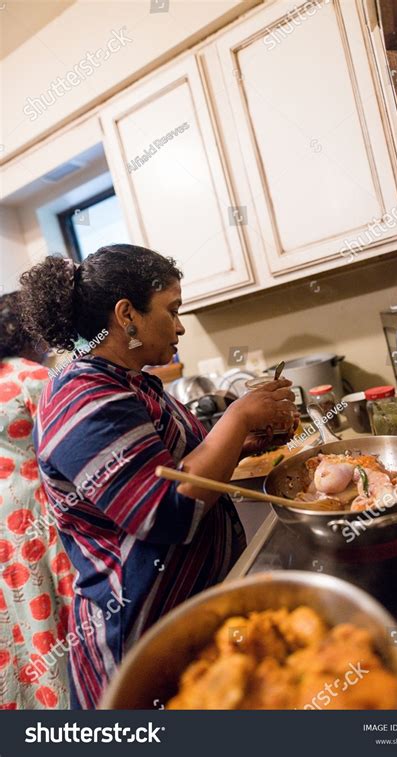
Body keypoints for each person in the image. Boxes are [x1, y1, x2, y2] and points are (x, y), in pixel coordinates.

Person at [19, 244, 297, 709]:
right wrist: (238, 420)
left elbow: (175, 462)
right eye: (172, 310)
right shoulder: (82, 395)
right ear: (127, 315)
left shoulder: (127, 381)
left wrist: (238, 446)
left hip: (181, 622)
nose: (181, 325)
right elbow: (167, 511)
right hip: (138, 641)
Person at [0, 291, 75, 710]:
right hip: (38, 509)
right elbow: (67, 445)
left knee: (22, 613)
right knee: (58, 605)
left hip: (4, 520)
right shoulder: (34, 376)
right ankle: (74, 709)